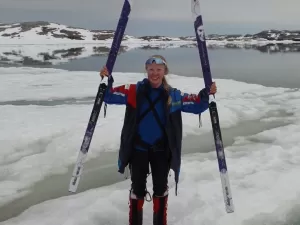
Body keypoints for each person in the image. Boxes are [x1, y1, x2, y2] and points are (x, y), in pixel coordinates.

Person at [100, 55, 217, 225]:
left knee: (160, 190)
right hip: (138, 149)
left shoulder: (173, 95)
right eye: (151, 69)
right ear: (146, 70)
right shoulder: (133, 91)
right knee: (137, 190)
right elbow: (108, 96)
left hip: (161, 151)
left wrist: (207, 93)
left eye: (159, 70)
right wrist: (107, 79)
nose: (154, 73)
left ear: (165, 71)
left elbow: (198, 104)